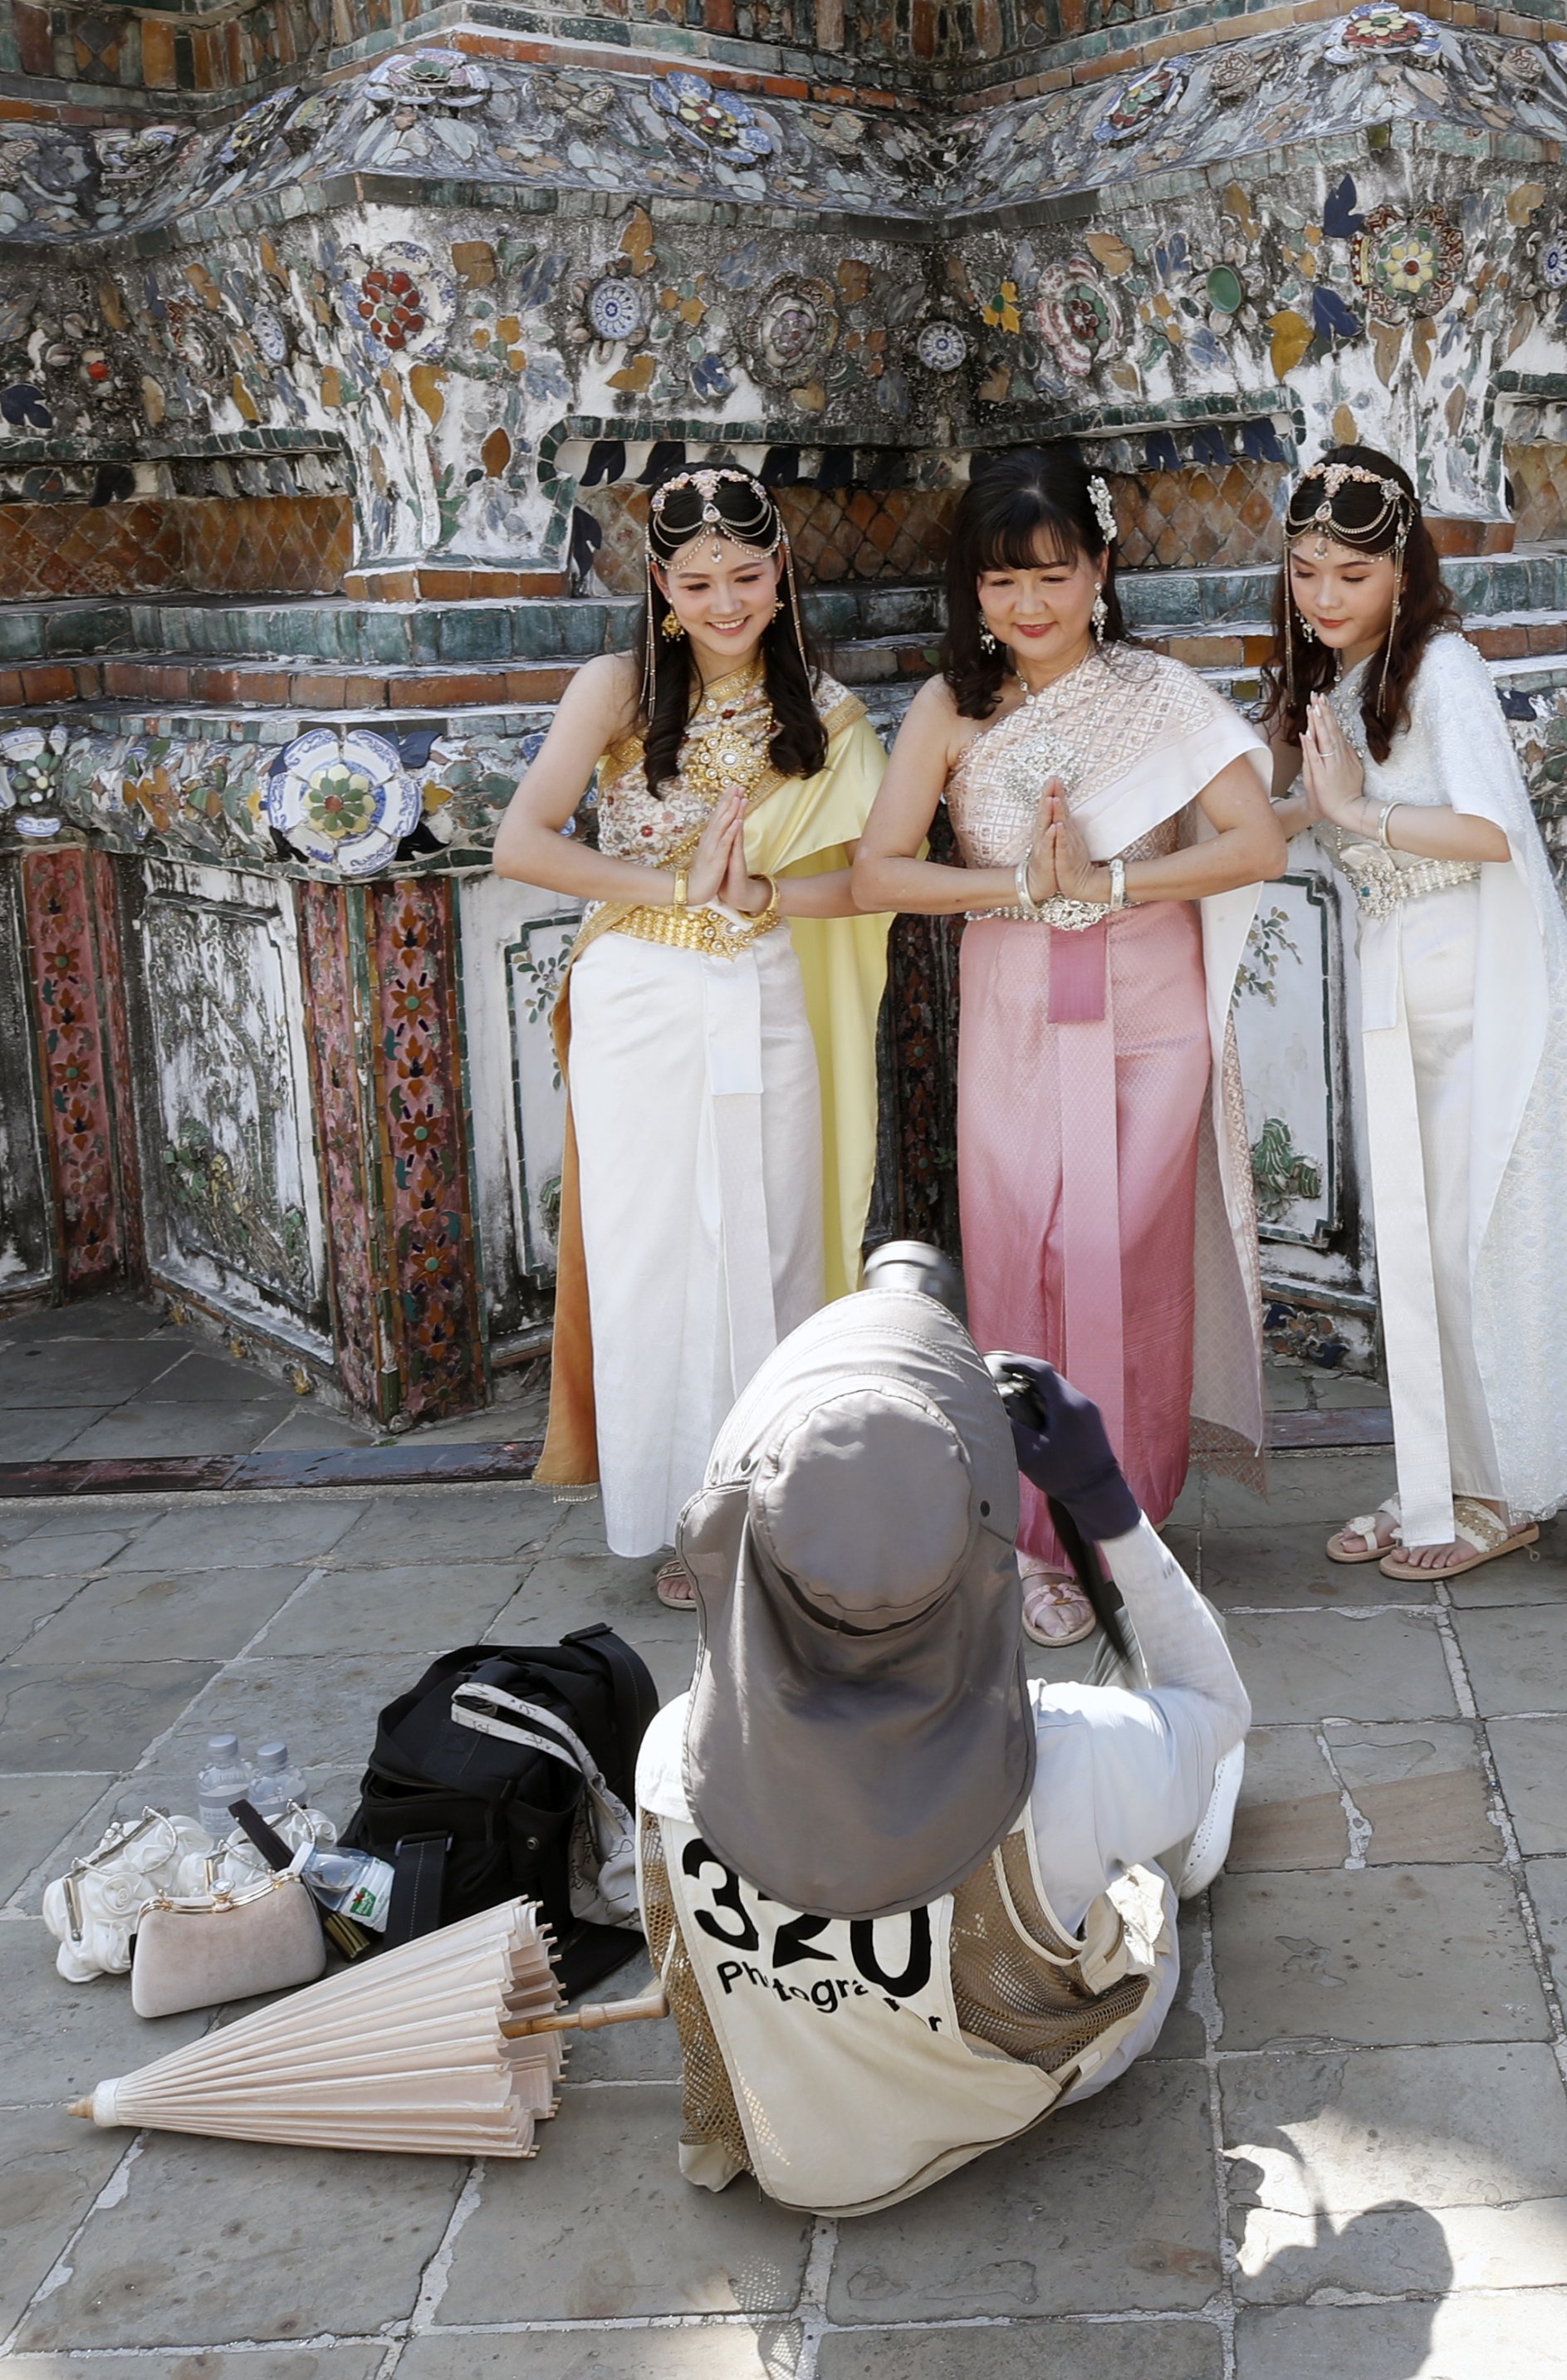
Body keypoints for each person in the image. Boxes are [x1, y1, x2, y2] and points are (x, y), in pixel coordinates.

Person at [633, 1242, 1250, 2216]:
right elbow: (1220, 1707)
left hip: (791, 2139)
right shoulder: (1064, 1755)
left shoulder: (675, 1753)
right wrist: (1105, 1507)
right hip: (1004, 2092)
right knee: (1164, 1833)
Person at [852, 446, 1285, 1650]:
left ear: (1101, 568)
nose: (1027, 606)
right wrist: (1015, 887)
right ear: (971, 590)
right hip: (1007, 1001)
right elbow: (882, 867)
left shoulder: (1156, 690)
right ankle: (1037, 1539)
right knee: (1018, 1248)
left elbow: (1255, 845)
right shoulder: (949, 707)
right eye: (999, 582)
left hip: (1146, 1004)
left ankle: (1123, 1519)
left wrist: (1106, 880)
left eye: (1050, 576)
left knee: (1117, 1251)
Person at [1261, 447, 1567, 1578]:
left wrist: (1352, 813)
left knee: (1471, 1247)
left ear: (1401, 568)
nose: (1324, 597)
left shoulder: (1443, 668)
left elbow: (1490, 831)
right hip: (1400, 979)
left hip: (1482, 988)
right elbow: (1310, 807)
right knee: (1414, 1247)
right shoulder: (1343, 678)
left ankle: (1504, 1489)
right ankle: (1435, 1476)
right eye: (1303, 573)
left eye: (1349, 574)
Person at [499, 467, 890, 1605]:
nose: (727, 603)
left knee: (770, 1234)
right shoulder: (615, 688)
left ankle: (778, 1505)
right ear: (663, 586)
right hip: (641, 995)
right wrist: (673, 882)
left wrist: (756, 895)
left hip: (766, 984)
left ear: (780, 575)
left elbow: (870, 885)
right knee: (653, 1254)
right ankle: (686, 1518)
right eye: (700, 581)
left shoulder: (826, 710)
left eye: (748, 576)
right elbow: (521, 841)